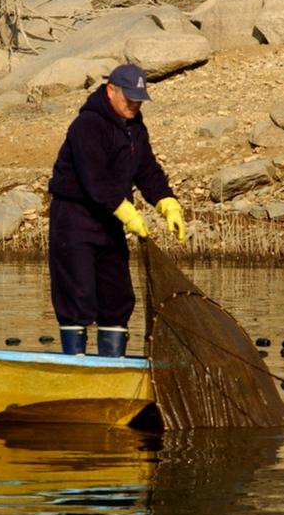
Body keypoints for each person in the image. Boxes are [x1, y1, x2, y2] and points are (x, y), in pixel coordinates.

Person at [47, 63, 186, 357]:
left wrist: (167, 202)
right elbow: (94, 180)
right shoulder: (87, 125)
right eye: (129, 97)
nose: (134, 103)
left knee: (118, 296)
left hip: (110, 219)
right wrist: (128, 213)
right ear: (111, 91)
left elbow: (147, 171)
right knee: (78, 294)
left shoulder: (135, 128)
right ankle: (76, 362)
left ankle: (112, 362)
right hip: (74, 218)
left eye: (139, 97)